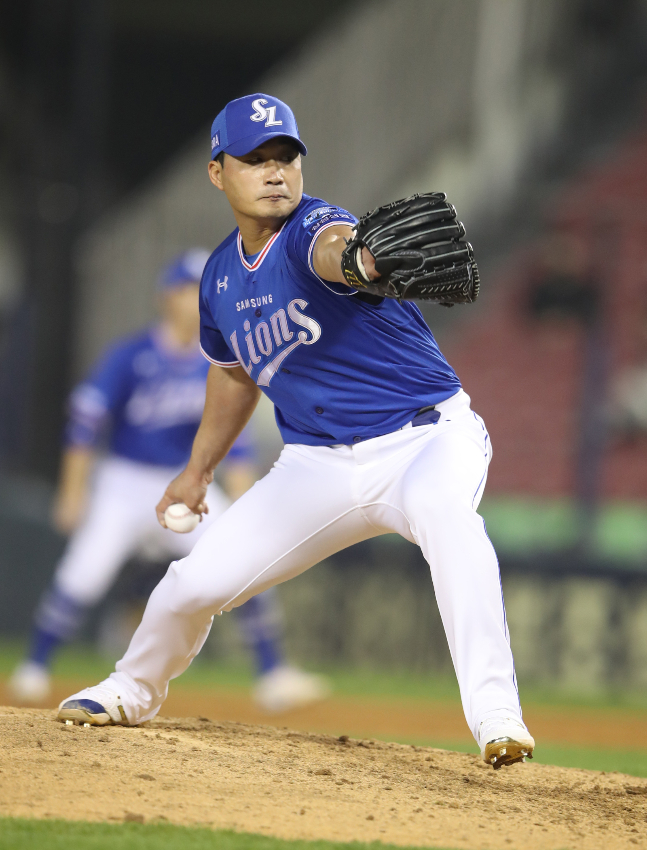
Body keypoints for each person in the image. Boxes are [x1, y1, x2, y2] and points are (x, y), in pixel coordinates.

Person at [58, 93, 535, 769]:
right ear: (217, 172)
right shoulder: (219, 279)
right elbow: (233, 377)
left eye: (285, 156)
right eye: (255, 159)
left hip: (426, 438)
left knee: (447, 518)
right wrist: (197, 472)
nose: (275, 171)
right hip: (318, 466)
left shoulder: (316, 227)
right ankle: (131, 688)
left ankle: (495, 715)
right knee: (193, 583)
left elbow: (336, 250)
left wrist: (361, 262)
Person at [10, 249, 328, 713]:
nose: (193, 298)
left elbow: (235, 445)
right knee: (85, 572)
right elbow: (84, 425)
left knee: (242, 557)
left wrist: (246, 504)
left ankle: (271, 673)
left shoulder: (216, 361)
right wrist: (73, 491)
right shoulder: (131, 354)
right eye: (185, 289)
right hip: (125, 481)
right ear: (166, 297)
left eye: (200, 290)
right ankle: (35, 666)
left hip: (187, 481)